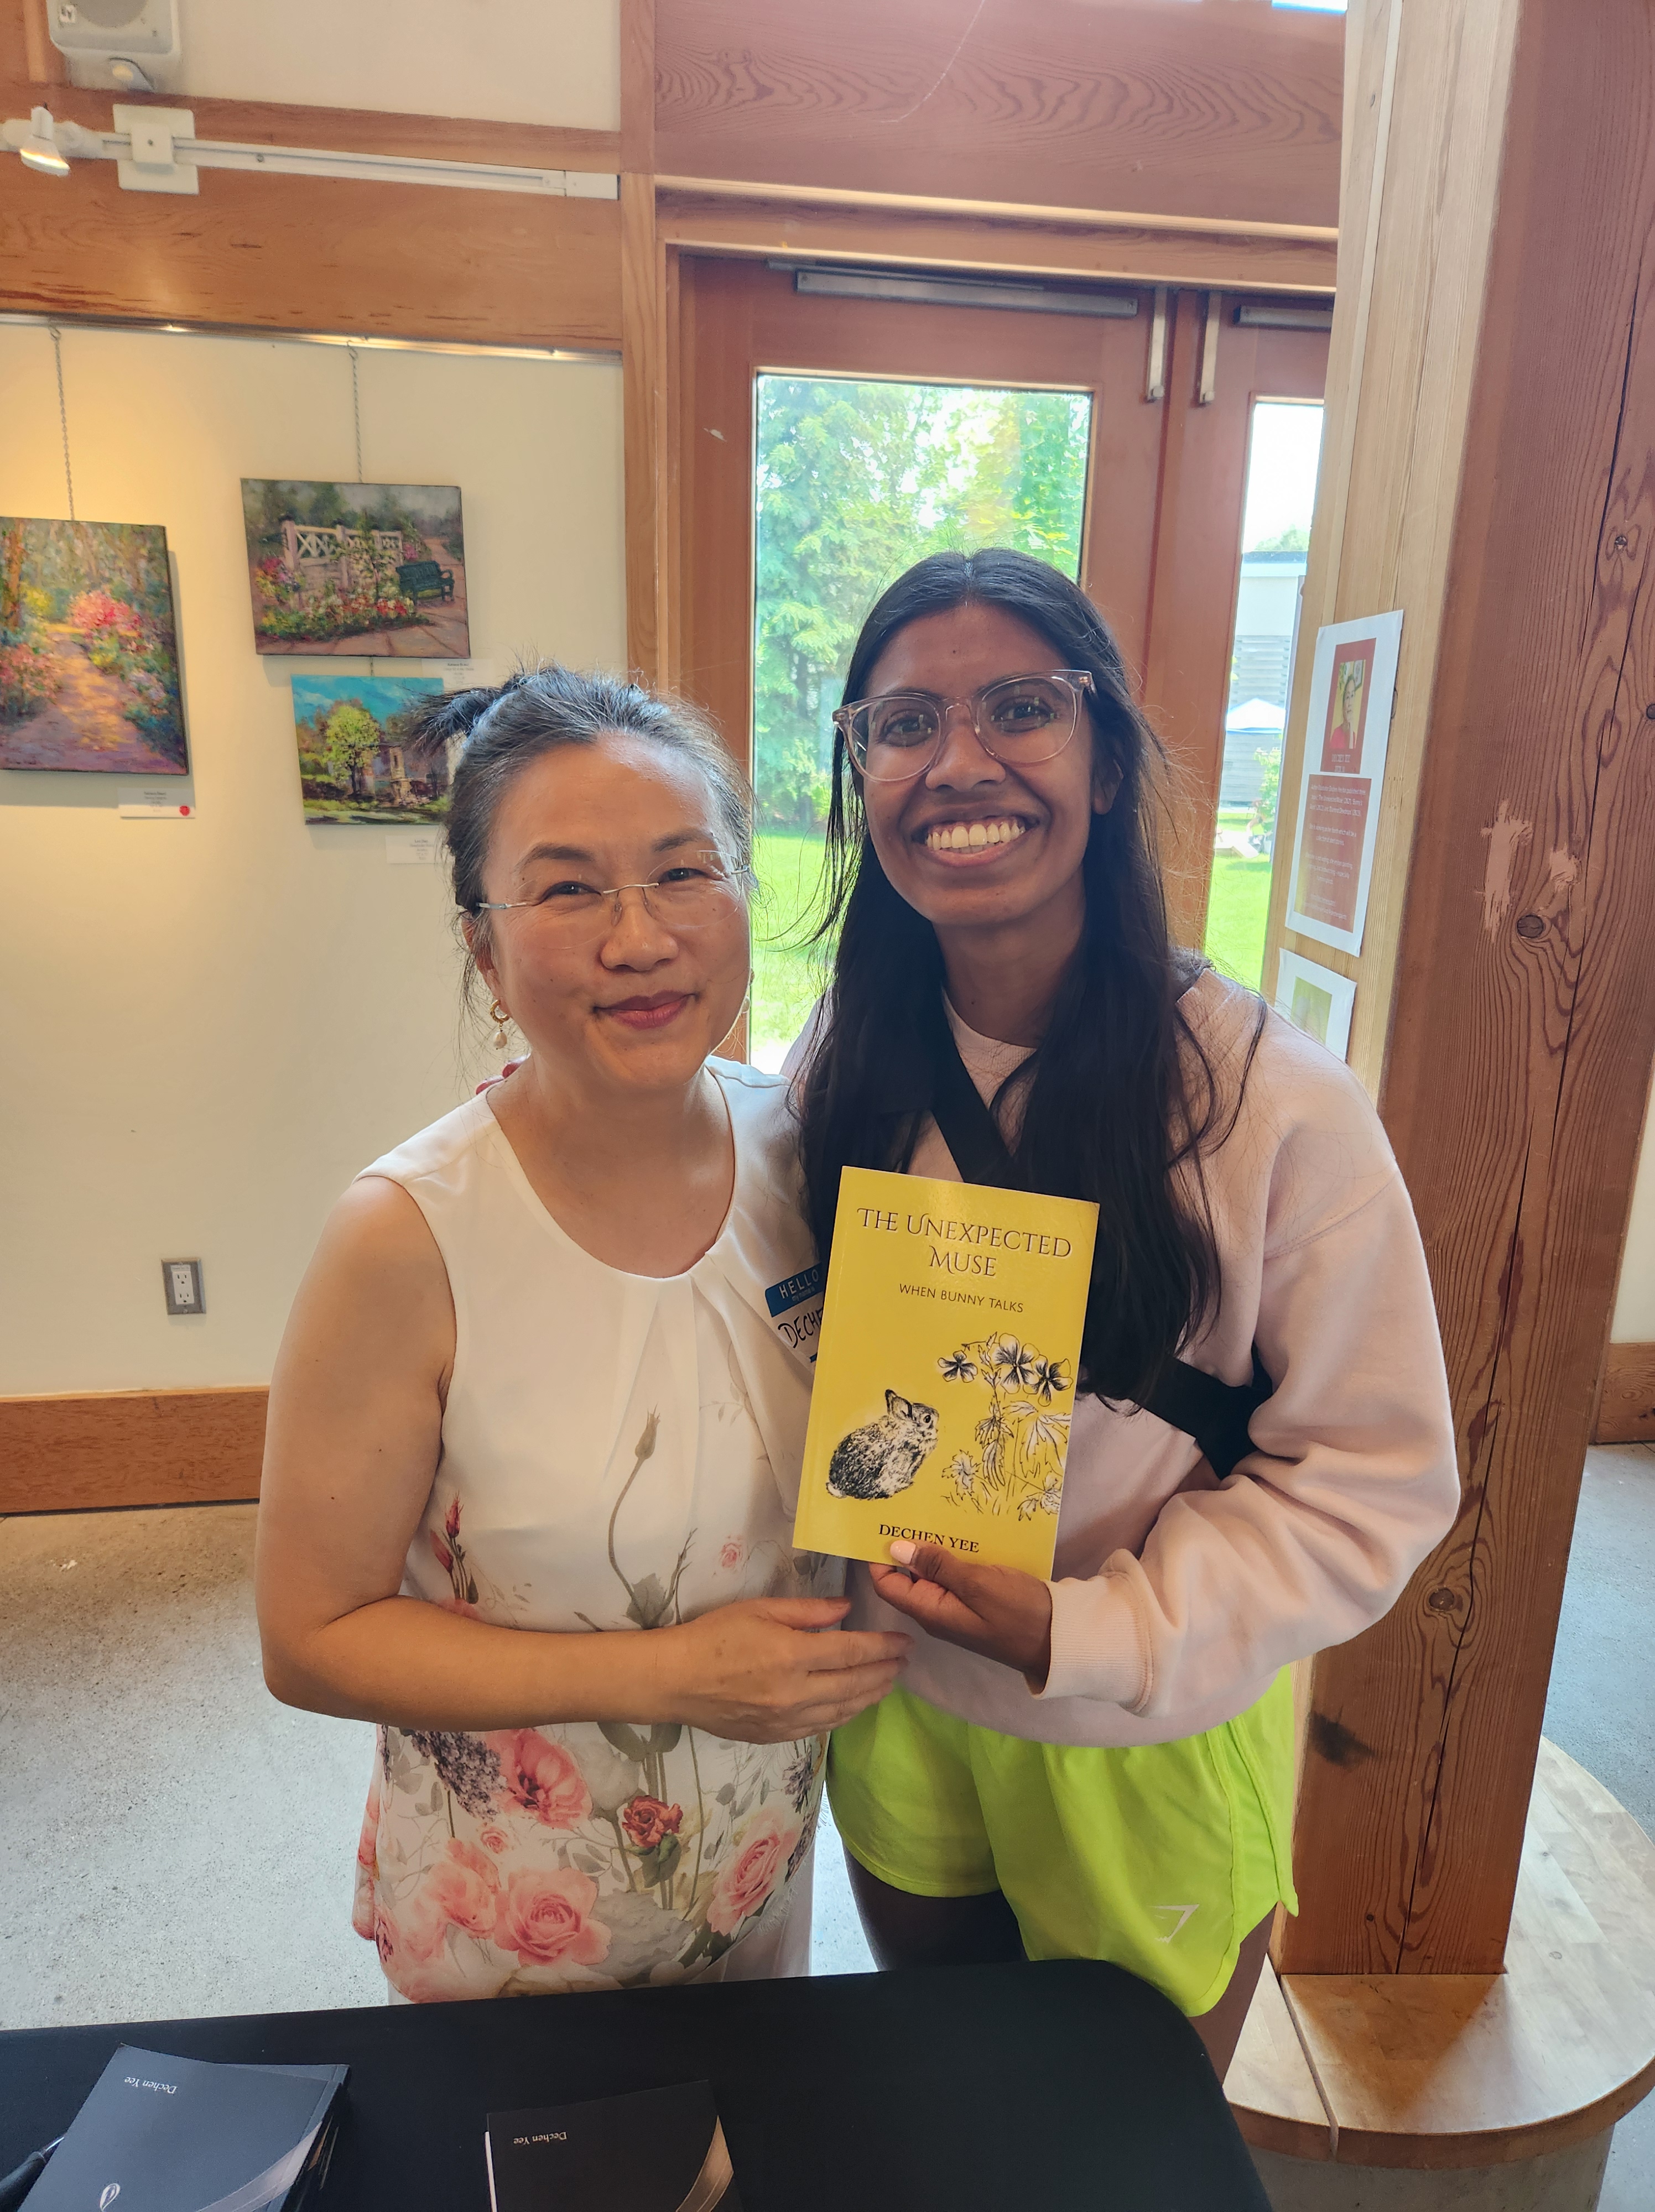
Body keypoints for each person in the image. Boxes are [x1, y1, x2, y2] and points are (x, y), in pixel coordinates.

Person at [789, 550, 1459, 2073]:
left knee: (1126, 2147)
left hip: (1138, 1729)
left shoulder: (1274, 1103)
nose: (960, 762)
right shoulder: (844, 1056)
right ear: (860, 773)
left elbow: (1374, 1482)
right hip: (900, 1698)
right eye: (903, 725)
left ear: (1103, 763)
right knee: (947, 2097)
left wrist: (1085, 1629)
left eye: (1020, 708)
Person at [255, 667, 908, 2002]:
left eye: (684, 871)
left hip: (755, 1870)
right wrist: (671, 1673)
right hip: (516, 1926)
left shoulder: (809, 1151)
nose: (640, 936)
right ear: (483, 950)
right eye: (566, 889)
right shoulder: (405, 1235)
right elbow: (310, 1635)